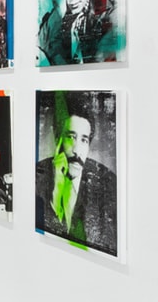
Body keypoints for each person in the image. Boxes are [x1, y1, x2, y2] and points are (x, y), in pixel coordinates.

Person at [35, 93, 117, 255]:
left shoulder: (109, 184)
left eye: (84, 140)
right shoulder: (36, 176)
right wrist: (56, 193)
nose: (77, 150)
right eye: (71, 137)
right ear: (57, 137)